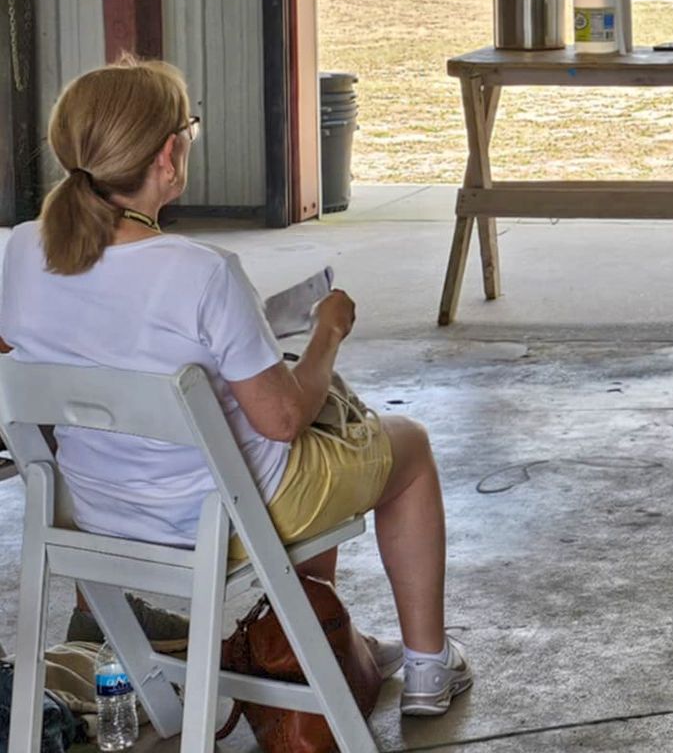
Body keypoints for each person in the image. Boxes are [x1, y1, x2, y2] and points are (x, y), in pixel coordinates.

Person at [0, 59, 473, 718]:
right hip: (216, 519)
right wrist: (326, 334)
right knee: (405, 447)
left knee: (315, 440)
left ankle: (324, 644)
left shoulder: (21, 250)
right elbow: (282, 419)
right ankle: (427, 666)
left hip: (98, 512)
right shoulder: (203, 274)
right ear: (169, 154)